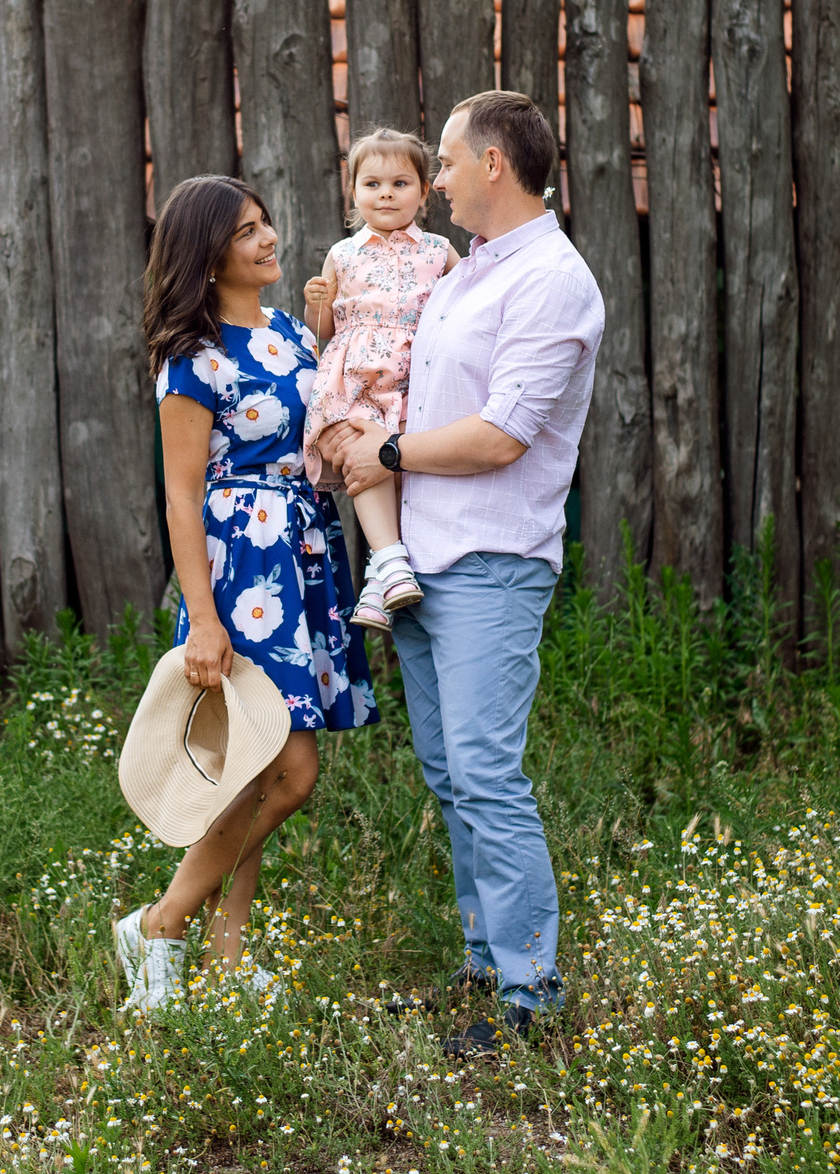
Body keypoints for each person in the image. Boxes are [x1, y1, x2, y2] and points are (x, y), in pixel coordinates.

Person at [333, 91, 601, 1058]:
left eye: (444, 162)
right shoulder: (461, 274)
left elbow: (501, 436)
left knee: (487, 773)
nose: (433, 180)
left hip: (491, 560)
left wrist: (387, 452)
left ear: (494, 163)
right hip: (422, 561)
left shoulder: (552, 282)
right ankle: (486, 962)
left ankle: (532, 995)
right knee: (450, 775)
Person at [114, 174, 377, 1013]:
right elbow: (179, 496)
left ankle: (224, 953)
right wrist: (201, 617)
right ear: (209, 253)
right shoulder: (192, 357)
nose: (269, 240)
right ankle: (161, 923)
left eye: (267, 223)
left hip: (302, 551)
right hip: (242, 565)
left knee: (254, 764)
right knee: (285, 770)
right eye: (248, 232)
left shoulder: (294, 333)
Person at [300, 127, 460, 634]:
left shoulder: (439, 250)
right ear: (354, 192)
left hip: (417, 377)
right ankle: (389, 559)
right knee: (366, 456)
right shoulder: (343, 254)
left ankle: (379, 577)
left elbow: (469, 303)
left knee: (402, 467)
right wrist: (313, 301)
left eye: (400, 182)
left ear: (423, 190)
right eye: (372, 184)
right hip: (359, 382)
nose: (386, 193)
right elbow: (320, 333)